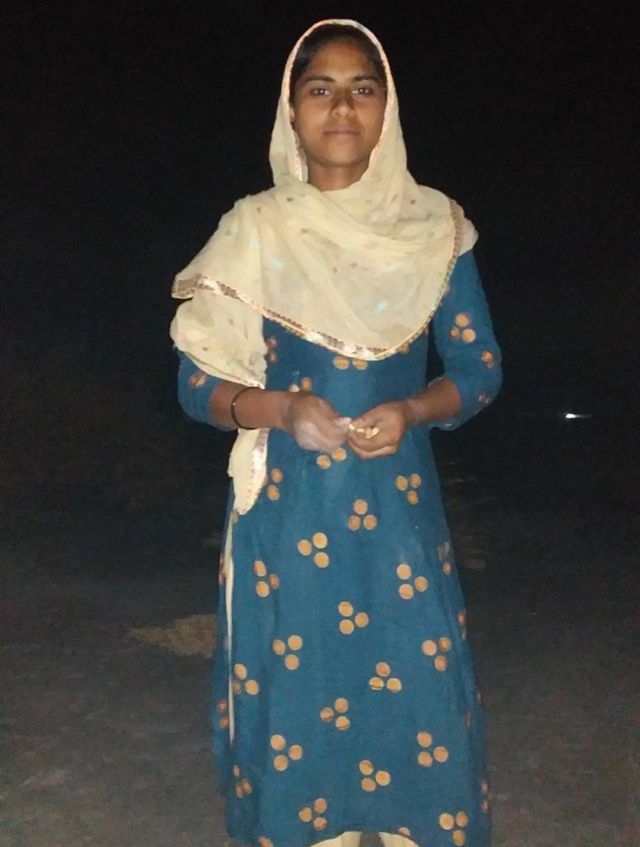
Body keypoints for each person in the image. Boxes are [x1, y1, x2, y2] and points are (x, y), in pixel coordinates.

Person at [170, 18, 501, 847]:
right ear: (292, 111)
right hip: (288, 521)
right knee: (300, 704)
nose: (343, 107)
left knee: (418, 703)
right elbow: (197, 384)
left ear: (388, 108)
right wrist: (282, 408)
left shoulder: (436, 229)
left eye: (363, 88)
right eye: (321, 89)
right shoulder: (257, 228)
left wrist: (413, 410)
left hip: (399, 517)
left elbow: (480, 367)